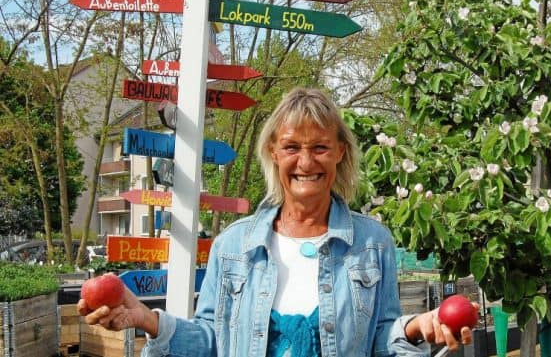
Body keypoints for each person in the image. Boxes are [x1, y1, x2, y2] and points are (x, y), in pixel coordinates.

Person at [79, 88, 475, 356]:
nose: (306, 162)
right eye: (292, 147)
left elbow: (381, 341)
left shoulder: (372, 244)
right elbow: (212, 341)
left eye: (320, 147)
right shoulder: (233, 247)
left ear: (339, 152)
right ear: (273, 152)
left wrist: (417, 327)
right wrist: (148, 320)